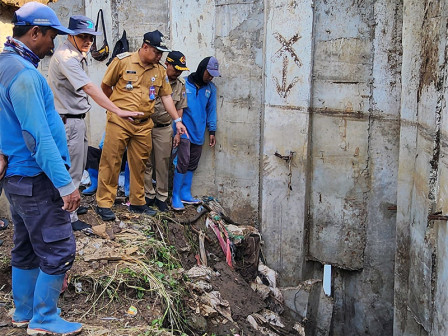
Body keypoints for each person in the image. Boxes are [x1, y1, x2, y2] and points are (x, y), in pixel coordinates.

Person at [0, 2, 82, 335]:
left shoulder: (4, 64)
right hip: (35, 178)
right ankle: (45, 319)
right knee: (59, 247)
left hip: (15, 179)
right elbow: (37, 137)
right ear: (35, 33)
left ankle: (23, 312)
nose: (54, 44)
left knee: (26, 245)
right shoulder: (25, 75)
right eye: (51, 36)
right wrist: (66, 185)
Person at [48, 15, 143, 230]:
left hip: (74, 120)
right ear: (71, 35)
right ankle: (68, 219)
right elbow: (90, 88)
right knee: (71, 170)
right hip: (68, 121)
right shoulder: (67, 58)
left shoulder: (75, 54)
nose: (88, 41)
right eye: (83, 36)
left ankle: (69, 205)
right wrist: (117, 110)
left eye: (91, 37)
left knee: (77, 166)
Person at [95, 30, 188, 221]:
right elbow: (105, 87)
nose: (160, 56)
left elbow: (166, 96)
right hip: (120, 122)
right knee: (111, 162)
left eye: (161, 53)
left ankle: (138, 203)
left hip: (144, 124)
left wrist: (177, 121)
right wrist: (115, 108)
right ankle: (104, 203)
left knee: (140, 164)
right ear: (145, 47)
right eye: (157, 52)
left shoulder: (159, 70)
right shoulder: (122, 61)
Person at [171, 56, 220, 210]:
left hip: (199, 132)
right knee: (182, 161)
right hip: (184, 129)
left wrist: (212, 130)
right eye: (208, 73)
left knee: (192, 163)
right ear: (201, 69)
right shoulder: (184, 84)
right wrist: (177, 131)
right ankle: (175, 196)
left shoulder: (210, 89)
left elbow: (211, 111)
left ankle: (185, 193)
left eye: (213, 74)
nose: (210, 77)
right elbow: (176, 107)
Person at [144, 50, 189, 212]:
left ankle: (161, 197)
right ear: (167, 64)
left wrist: (177, 132)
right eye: (175, 68)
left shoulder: (180, 86)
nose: (177, 73)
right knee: (146, 162)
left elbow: (180, 110)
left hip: (164, 129)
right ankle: (148, 194)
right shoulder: (153, 78)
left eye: (180, 70)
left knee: (163, 164)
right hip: (146, 125)